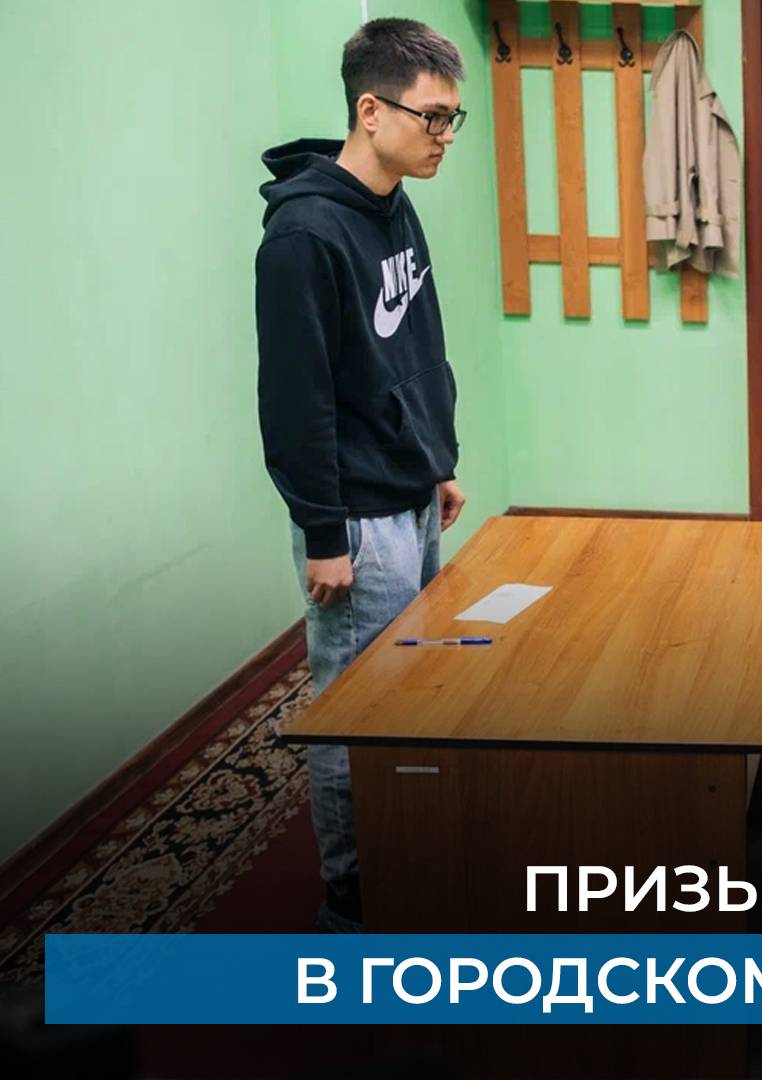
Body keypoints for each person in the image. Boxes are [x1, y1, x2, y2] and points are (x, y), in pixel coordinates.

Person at [255, 18, 469, 931]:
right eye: (433, 117)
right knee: (352, 712)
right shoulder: (303, 237)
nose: (445, 136)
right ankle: (354, 895)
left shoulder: (395, 201)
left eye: (453, 119)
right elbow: (295, 401)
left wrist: (437, 459)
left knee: (412, 690)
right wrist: (323, 533)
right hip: (355, 520)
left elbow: (416, 342)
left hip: (410, 490)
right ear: (371, 110)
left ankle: (412, 853)